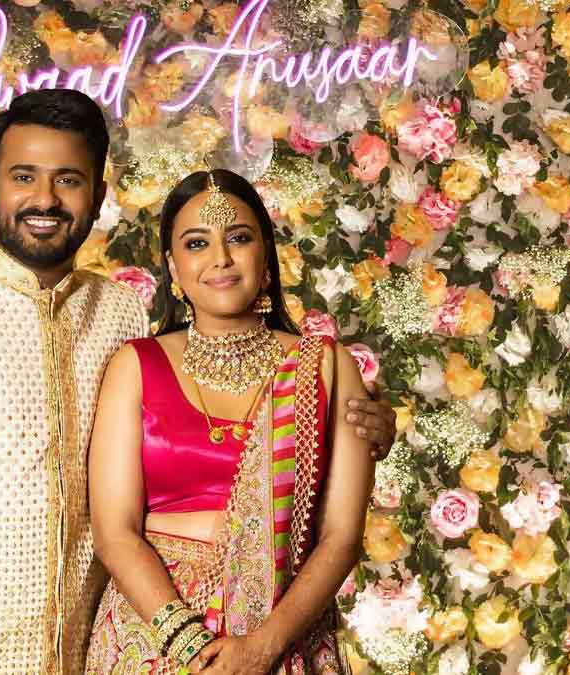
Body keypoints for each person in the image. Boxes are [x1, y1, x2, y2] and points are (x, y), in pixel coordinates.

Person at [0, 90, 395, 675]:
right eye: (24, 177)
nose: (45, 199)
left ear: (99, 195)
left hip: (90, 650)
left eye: (69, 180)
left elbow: (214, 438)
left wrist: (361, 426)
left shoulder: (118, 311)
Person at [86, 169, 374, 675]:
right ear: (173, 267)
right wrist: (191, 647)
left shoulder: (325, 367)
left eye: (238, 238)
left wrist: (262, 648)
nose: (220, 257)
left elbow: (341, 538)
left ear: (266, 257)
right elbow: (115, 532)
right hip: (153, 634)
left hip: (281, 633)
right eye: (197, 243)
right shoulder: (135, 366)